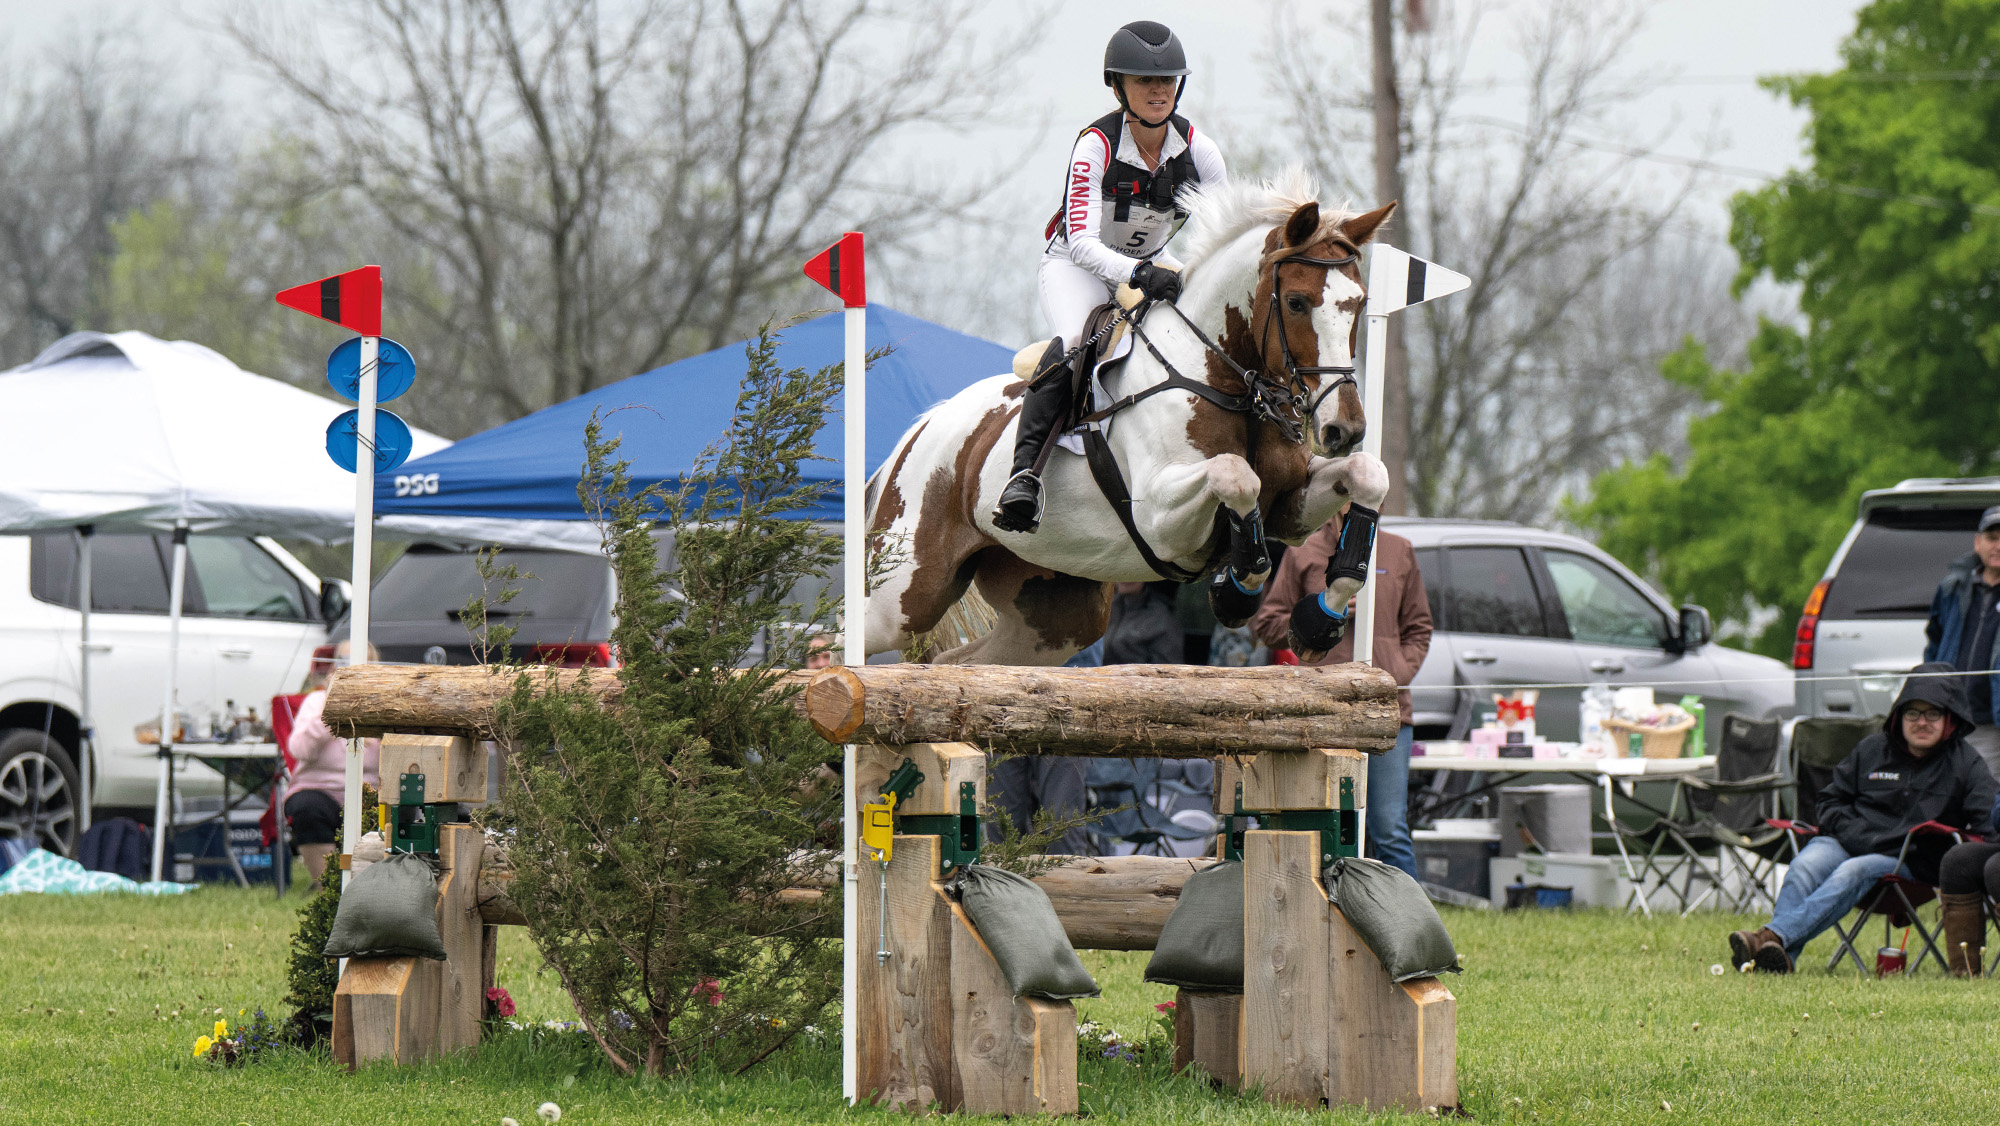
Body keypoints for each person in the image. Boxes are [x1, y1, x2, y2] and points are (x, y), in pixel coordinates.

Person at [992, 20, 1228, 534]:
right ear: (1119, 86)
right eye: (1145, 81)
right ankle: (1024, 475)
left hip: (1148, 268)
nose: (1159, 90)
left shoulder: (1200, 152)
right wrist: (1141, 273)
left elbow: (1224, 230)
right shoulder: (1095, 145)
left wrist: (1185, 272)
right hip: (1074, 266)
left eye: (1167, 81)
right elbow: (1081, 242)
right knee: (1078, 339)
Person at [1728, 664, 1996, 973]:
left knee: (1852, 871)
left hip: (1908, 863)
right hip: (1848, 840)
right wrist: (1859, 835)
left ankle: (1770, 937)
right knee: (1804, 865)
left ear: (1949, 719)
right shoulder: (1872, 750)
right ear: (1899, 716)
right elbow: (1829, 801)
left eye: (1933, 713)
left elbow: (1987, 819)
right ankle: (1782, 958)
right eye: (1913, 713)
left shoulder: (1966, 764)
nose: (1922, 722)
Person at [1250, 513, 1432, 879]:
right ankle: (1315, 913)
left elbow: (1419, 629)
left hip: (1386, 709)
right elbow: (1268, 625)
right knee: (1316, 821)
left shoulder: (1398, 551)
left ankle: (1408, 928)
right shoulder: (1303, 552)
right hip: (1319, 712)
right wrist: (1319, 610)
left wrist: (1394, 675)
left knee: (1388, 829)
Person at [285, 641, 380, 888]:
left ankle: (369, 888)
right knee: (308, 808)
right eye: (344, 663)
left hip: (369, 791)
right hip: (320, 789)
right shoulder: (317, 702)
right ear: (333, 668)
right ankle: (327, 888)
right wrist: (333, 710)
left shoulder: (382, 704)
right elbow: (298, 749)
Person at [1923, 505, 2000, 779]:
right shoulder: (1951, 587)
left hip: (1992, 723)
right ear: (1978, 542)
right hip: (1950, 717)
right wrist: (1929, 696)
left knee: (1986, 799)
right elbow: (1934, 643)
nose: (1998, 546)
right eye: (1992, 538)